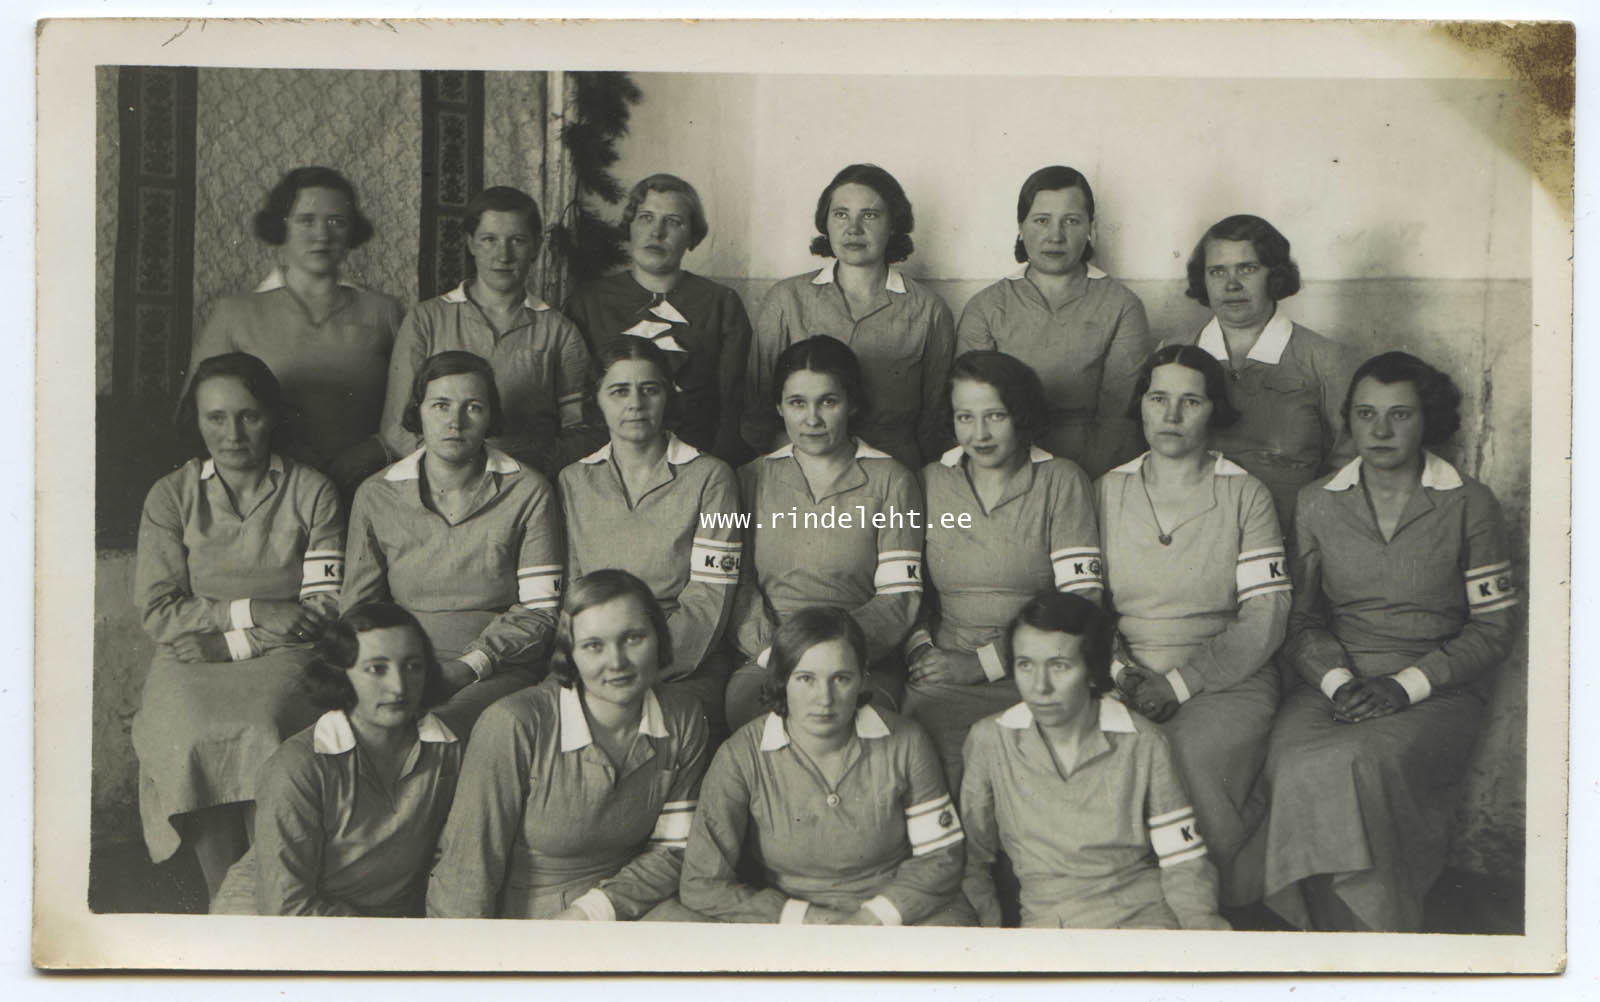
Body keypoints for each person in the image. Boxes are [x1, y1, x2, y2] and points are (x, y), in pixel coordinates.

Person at [1254, 352, 1518, 931]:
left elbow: (1493, 629)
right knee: (1292, 759)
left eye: (1400, 414)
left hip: (1437, 688)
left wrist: (1404, 686)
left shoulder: (1469, 503)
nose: (1379, 430)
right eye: (1365, 413)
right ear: (1349, 419)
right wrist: (1338, 682)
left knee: (1359, 761)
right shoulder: (1318, 501)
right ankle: (1316, 937)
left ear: (1428, 420)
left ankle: (1374, 936)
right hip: (1336, 683)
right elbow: (1300, 621)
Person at [131, 352, 341, 896]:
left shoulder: (313, 491)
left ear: (272, 416)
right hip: (188, 655)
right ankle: (224, 901)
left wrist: (236, 643)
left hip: (285, 654)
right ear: (197, 421)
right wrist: (253, 611)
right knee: (190, 731)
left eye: (249, 416)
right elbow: (159, 610)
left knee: (266, 725)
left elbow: (324, 610)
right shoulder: (170, 496)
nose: (232, 434)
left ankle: (276, 892)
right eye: (216, 418)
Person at [1096, 344, 1292, 906]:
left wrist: (1180, 684)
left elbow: (1266, 614)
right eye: (1158, 398)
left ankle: (1198, 905)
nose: (1172, 415)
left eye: (1191, 401)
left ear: (1214, 410)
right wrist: (1122, 671)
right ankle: (1119, 904)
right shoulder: (1106, 490)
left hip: (1226, 675)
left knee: (1183, 753)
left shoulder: (1245, 494)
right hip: (1124, 669)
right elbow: (1084, 605)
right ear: (1140, 405)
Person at [426, 570, 709, 919]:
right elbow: (466, 871)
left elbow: (674, 848)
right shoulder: (514, 723)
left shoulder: (683, 715)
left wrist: (591, 912)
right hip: (532, 922)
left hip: (623, 901)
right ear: (570, 653)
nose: (616, 662)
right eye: (593, 646)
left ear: (660, 639)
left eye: (633, 638)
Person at [679, 606, 972, 925]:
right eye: (806, 678)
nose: (825, 698)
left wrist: (873, 918)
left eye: (841, 679)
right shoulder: (740, 755)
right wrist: (808, 918)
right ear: (781, 680)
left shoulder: (907, 740)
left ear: (862, 678)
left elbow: (940, 857)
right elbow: (701, 882)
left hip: (897, 911)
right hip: (791, 920)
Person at [961, 592, 1229, 929]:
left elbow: (1183, 861)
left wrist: (1201, 933)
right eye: (1025, 665)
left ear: (1092, 672)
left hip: (1144, 924)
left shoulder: (1143, 741)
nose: (1040, 687)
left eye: (1059, 666)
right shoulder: (990, 740)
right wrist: (988, 933)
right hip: (1050, 933)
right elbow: (971, 861)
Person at [902, 350, 1102, 791]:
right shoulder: (930, 481)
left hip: (1038, 670)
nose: (980, 434)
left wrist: (983, 664)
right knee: (929, 782)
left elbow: (1081, 602)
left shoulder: (1061, 480)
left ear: (1021, 415)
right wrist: (921, 653)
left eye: (996, 416)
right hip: (944, 675)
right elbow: (908, 592)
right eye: (965, 417)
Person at [344, 350, 562, 738]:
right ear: (418, 412)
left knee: (436, 730)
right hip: (398, 656)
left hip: (496, 664)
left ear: (491, 416)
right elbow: (358, 608)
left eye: (473, 407)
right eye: (441, 405)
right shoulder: (376, 494)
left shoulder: (528, 491)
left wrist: (468, 666)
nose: (455, 422)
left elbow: (540, 610)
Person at [725, 335, 924, 731]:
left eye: (828, 402)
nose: (812, 419)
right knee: (750, 711)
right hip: (771, 655)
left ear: (852, 404)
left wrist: (836, 653)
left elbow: (899, 597)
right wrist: (777, 652)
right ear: (779, 407)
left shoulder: (891, 479)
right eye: (798, 403)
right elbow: (738, 587)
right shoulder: (751, 478)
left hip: (860, 656)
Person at [210, 604, 461, 916]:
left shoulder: (447, 750)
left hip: (372, 922)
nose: (398, 686)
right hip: (272, 917)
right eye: (376, 669)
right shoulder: (298, 766)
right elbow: (286, 906)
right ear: (341, 675)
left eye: (413, 666)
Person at [560, 338, 743, 737]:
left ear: (668, 397)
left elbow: (710, 595)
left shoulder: (711, 477)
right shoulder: (574, 480)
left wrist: (639, 666)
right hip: (595, 658)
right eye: (619, 391)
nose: (635, 404)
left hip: (681, 661)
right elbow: (574, 591)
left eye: (649, 389)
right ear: (597, 400)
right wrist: (597, 663)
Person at [184, 166, 403, 494]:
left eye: (337, 221)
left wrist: (373, 450)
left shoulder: (384, 311)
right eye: (306, 220)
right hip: (265, 488)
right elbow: (194, 412)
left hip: (367, 486)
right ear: (281, 226)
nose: (322, 235)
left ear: (351, 232)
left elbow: (417, 403)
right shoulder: (234, 313)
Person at [741, 163, 955, 470]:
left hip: (894, 469)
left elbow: (936, 417)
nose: (853, 229)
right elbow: (757, 407)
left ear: (893, 225)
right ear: (825, 222)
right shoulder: (787, 299)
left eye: (870, 215)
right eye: (841, 214)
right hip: (801, 468)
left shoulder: (929, 309)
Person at [379, 186, 593, 480]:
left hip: (526, 483)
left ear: (536, 247)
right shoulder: (425, 319)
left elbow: (578, 431)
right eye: (489, 239)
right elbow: (395, 428)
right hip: (441, 483)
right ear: (470, 243)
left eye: (517, 241)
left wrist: (521, 480)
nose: (503, 255)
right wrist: (453, 476)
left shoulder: (560, 331)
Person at [956, 165, 1153, 478]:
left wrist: (1080, 484)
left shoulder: (1122, 305)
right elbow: (971, 405)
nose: (1056, 236)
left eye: (1071, 221)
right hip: (1008, 464)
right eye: (1042, 220)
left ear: (1090, 227)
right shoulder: (986, 306)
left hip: (1094, 464)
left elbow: (1119, 416)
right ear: (1021, 227)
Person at [1178, 214, 1357, 530]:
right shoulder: (1176, 354)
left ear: (1275, 275)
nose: (1231, 284)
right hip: (1193, 529)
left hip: (1291, 529)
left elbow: (1349, 464)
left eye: (1247, 269)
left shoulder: (1325, 359)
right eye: (1217, 271)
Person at [563, 173, 753, 464]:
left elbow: (734, 403)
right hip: (606, 463)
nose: (657, 232)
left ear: (692, 236)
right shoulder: (587, 302)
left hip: (699, 461)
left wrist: (711, 469)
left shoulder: (721, 303)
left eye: (673, 222)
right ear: (629, 226)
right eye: (646, 218)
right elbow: (576, 406)